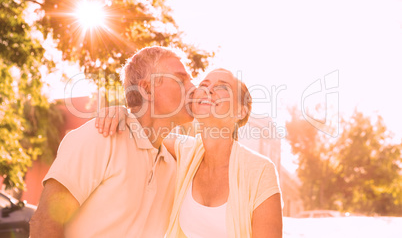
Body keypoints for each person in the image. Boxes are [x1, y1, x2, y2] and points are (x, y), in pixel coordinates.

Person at [29, 46, 195, 238]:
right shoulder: (101, 137)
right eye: (181, 80)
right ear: (147, 89)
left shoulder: (174, 164)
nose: (193, 88)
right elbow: (45, 222)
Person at [98, 68, 283, 237]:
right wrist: (122, 112)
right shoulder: (186, 152)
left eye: (222, 87)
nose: (208, 90)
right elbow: (144, 128)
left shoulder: (260, 171)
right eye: (204, 85)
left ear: (240, 112)